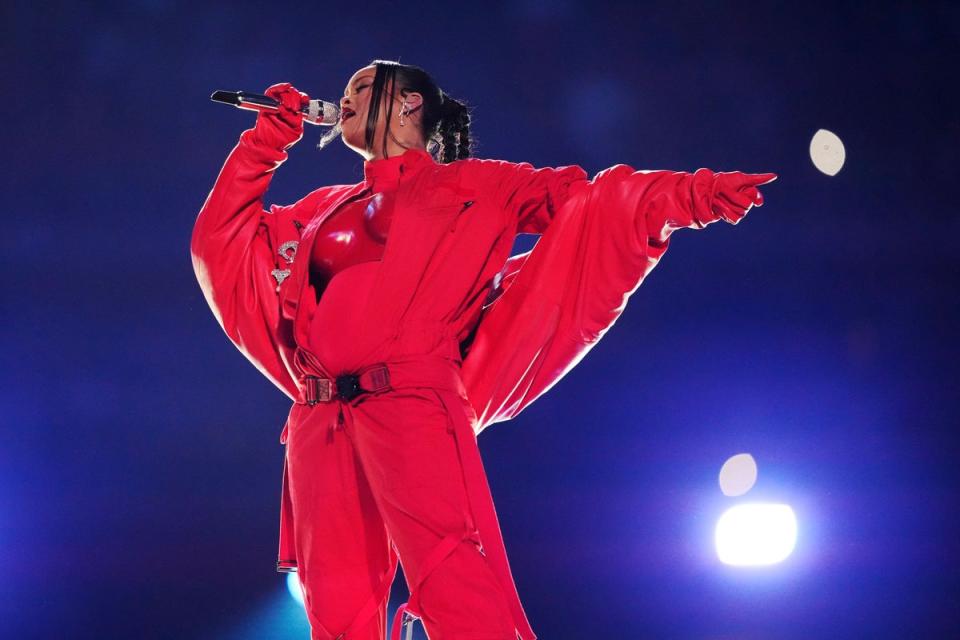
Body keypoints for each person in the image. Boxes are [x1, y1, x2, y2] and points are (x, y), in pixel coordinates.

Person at [190, 58, 777, 640]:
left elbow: (591, 202)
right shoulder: (320, 210)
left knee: (453, 580)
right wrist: (262, 146)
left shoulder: (479, 186)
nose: (344, 98)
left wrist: (691, 196)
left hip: (412, 403)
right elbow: (222, 242)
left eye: (363, 86)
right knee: (336, 611)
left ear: (409, 104)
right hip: (321, 420)